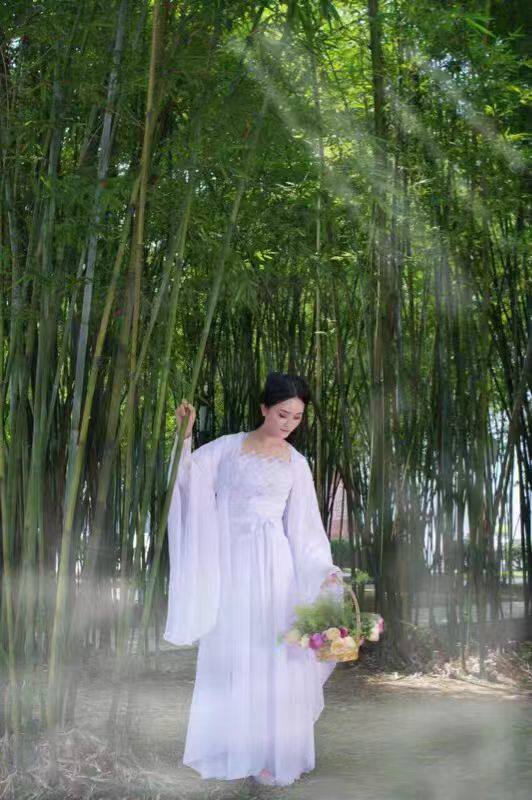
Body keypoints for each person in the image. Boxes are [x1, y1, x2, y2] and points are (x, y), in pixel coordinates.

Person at [164, 371, 344, 787]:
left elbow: (305, 529)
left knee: (273, 656)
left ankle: (270, 754)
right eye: (282, 414)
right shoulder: (228, 448)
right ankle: (234, 749)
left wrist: (324, 571)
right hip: (231, 566)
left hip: (276, 572)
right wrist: (184, 436)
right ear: (264, 408)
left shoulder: (297, 464)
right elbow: (186, 478)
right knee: (234, 652)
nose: (289, 424)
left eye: (297, 417)